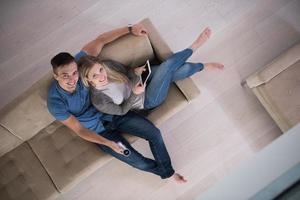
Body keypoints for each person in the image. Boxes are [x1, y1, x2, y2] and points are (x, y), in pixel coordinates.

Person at [47, 22, 187, 183]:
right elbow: (79, 130)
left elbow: (101, 40)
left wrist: (130, 29)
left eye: (74, 73)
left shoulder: (80, 64)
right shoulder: (55, 102)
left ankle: (167, 172)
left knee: (154, 134)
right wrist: (108, 143)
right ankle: (168, 173)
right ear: (56, 76)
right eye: (65, 76)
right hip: (101, 133)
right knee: (138, 161)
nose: (72, 79)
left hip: (113, 114)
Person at [78, 27, 224, 116]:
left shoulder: (107, 65)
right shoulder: (99, 100)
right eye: (95, 76)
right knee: (167, 67)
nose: (102, 76)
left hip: (139, 80)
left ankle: (203, 67)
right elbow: (122, 111)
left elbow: (127, 72)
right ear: (88, 79)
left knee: (178, 69)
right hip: (145, 100)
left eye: (101, 70)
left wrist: (135, 71)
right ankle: (195, 46)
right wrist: (135, 94)